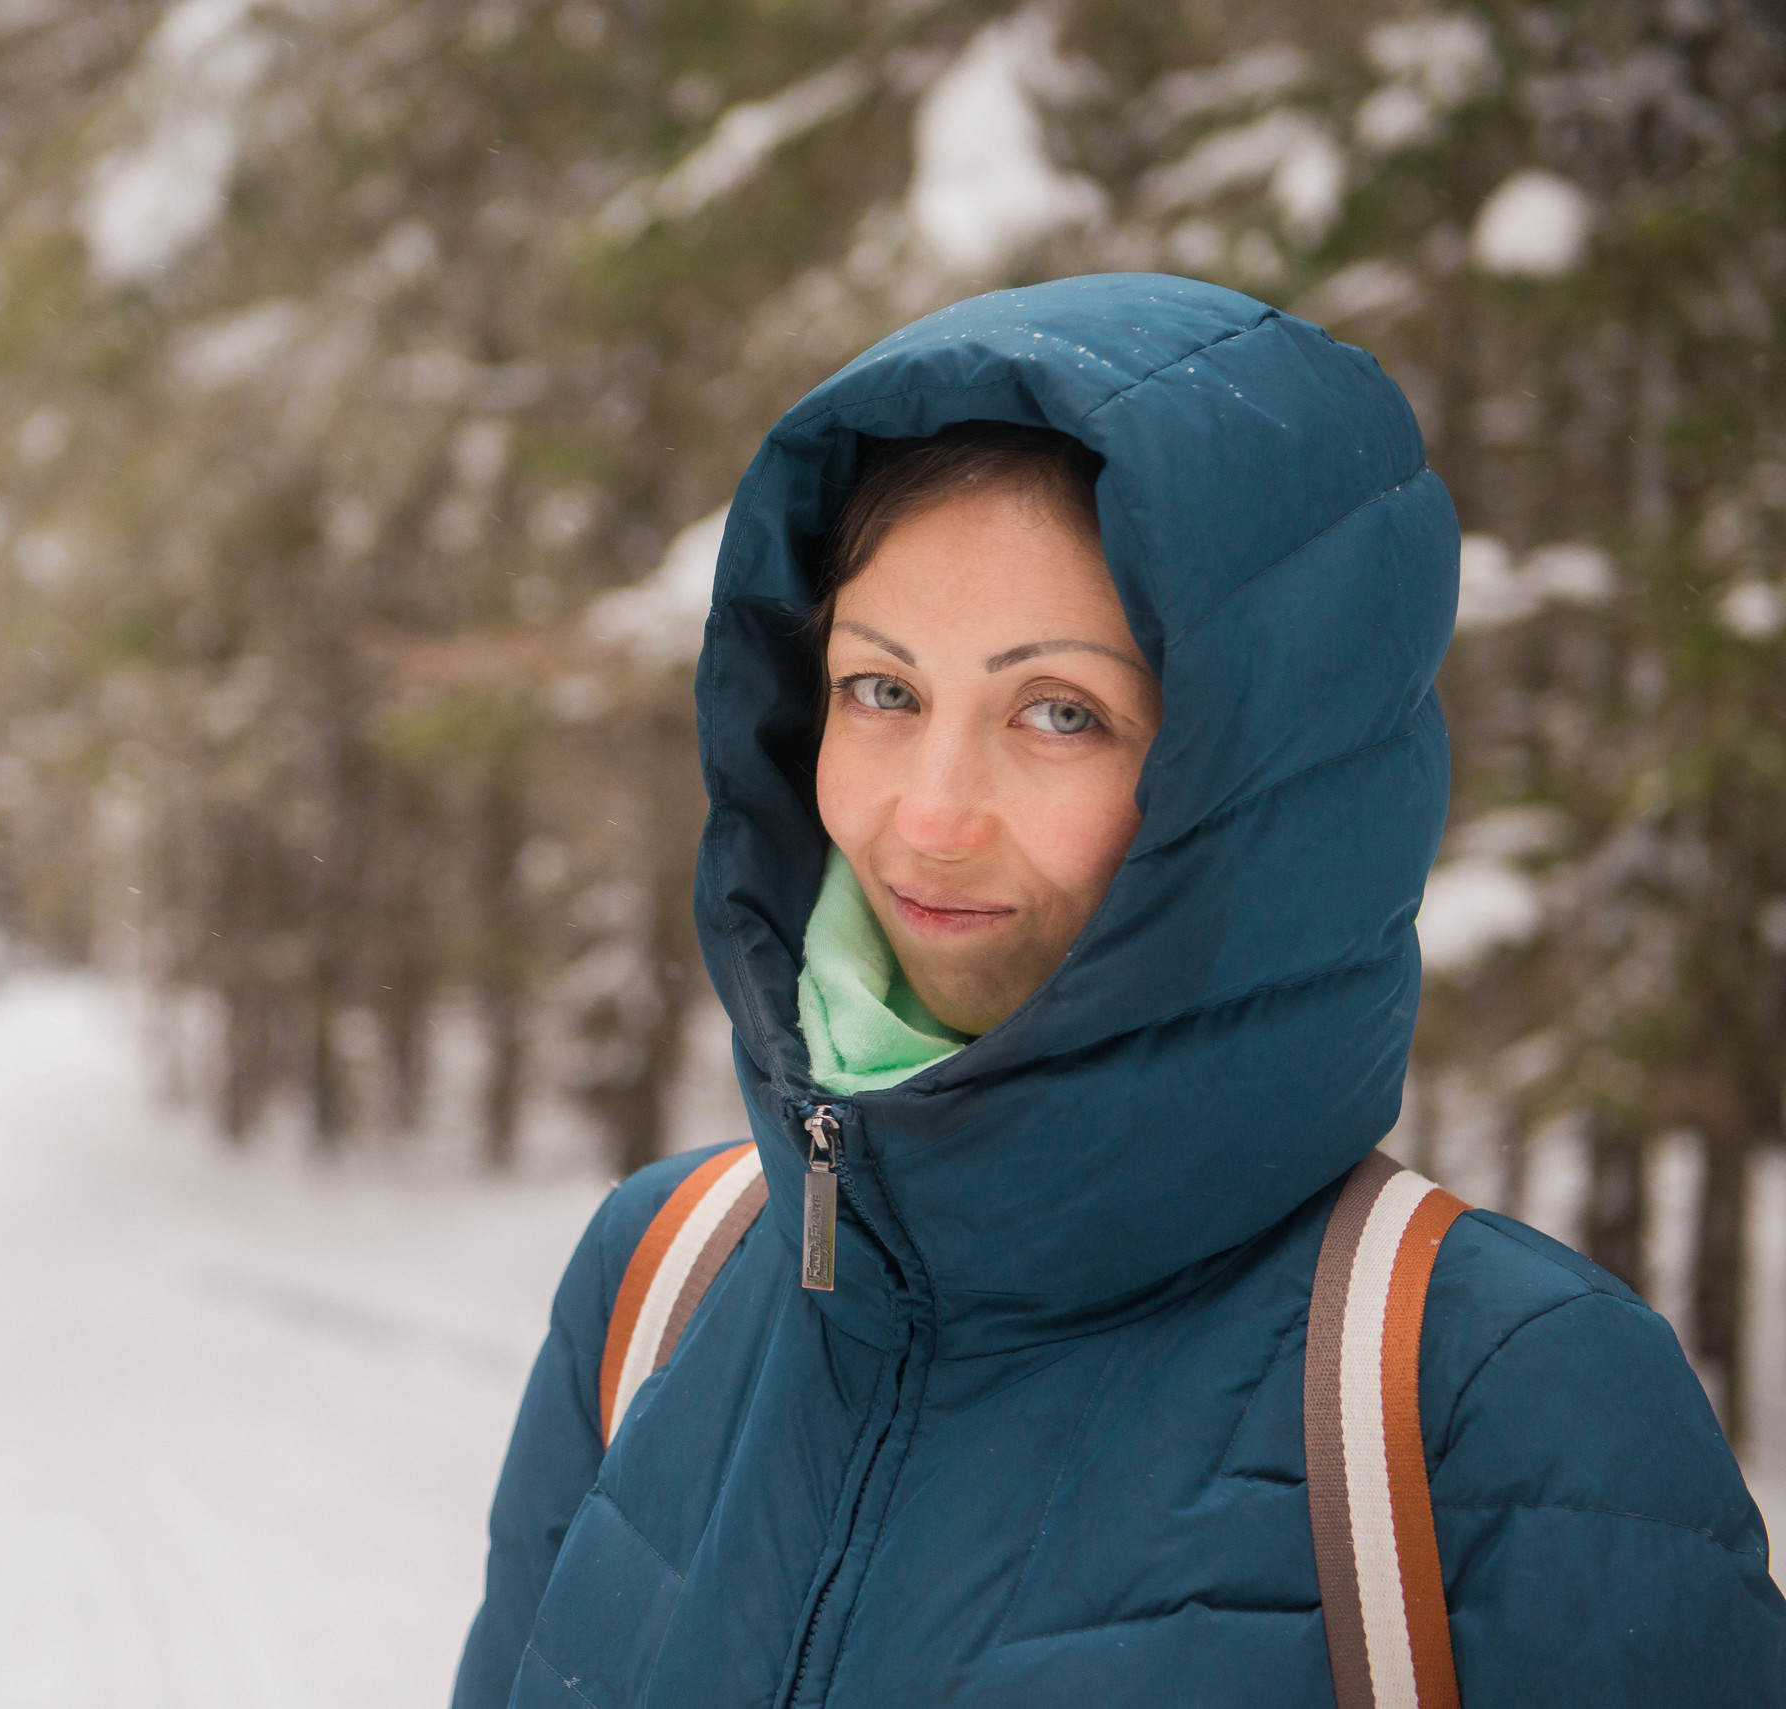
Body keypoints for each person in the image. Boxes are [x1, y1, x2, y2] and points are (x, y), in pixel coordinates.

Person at [452, 274, 1785, 1707]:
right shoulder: (660, 1280)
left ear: (1254, 783)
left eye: (1060, 712)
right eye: (882, 690)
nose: (931, 814)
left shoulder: (1486, 1401)